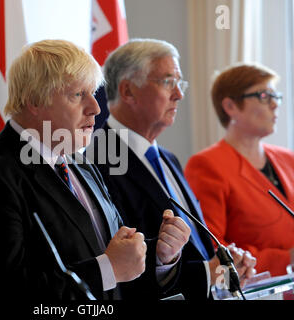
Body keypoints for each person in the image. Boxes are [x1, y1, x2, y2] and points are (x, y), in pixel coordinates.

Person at [0, 39, 190, 300]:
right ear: (34, 101)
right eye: (78, 95)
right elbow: (8, 288)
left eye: (93, 93)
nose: (96, 108)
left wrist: (161, 257)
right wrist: (107, 269)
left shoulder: (80, 163)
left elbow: (118, 266)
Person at [87, 38, 256, 300]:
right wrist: (207, 272)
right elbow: (121, 269)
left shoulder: (168, 158)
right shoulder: (97, 159)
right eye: (168, 82)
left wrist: (226, 268)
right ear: (128, 91)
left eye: (180, 83)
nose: (179, 93)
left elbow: (197, 254)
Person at [185, 63, 294, 277]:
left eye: (276, 96)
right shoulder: (207, 165)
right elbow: (213, 250)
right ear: (230, 106)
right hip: (256, 290)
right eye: (264, 95)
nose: (275, 105)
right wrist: (286, 259)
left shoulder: (288, 159)